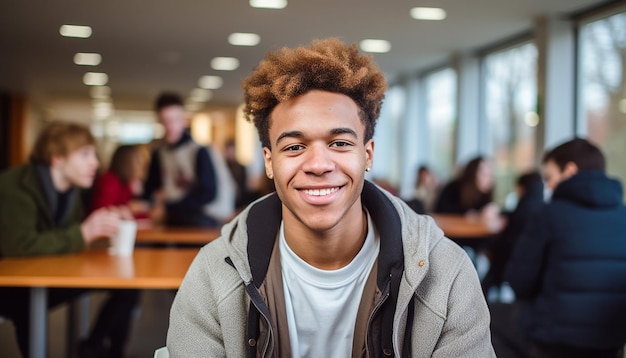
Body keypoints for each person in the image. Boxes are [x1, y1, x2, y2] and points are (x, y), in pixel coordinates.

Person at [167, 38, 495, 357]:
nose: (319, 165)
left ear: (368, 155)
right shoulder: (214, 273)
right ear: (269, 161)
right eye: (294, 147)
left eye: (339, 143)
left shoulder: (446, 274)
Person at [0, 121, 139, 357]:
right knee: (28, 308)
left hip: (40, 274)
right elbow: (19, 245)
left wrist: (99, 226)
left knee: (127, 286)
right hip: (10, 286)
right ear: (57, 159)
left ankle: (94, 347)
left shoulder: (69, 189)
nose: (95, 163)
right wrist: (84, 233)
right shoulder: (14, 186)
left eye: (94, 154)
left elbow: (71, 235)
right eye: (85, 154)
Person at [504, 138, 626, 357]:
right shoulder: (623, 215)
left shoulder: (548, 214)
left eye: (549, 178)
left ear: (570, 170)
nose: (548, 186)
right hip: (611, 341)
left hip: (553, 340)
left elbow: (518, 281)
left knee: (485, 317)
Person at [143, 92, 235, 227]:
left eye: (174, 120)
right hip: (171, 218)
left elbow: (208, 193)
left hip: (199, 217)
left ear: (183, 120)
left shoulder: (199, 151)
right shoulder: (159, 153)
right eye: (165, 121)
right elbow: (151, 188)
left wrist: (169, 207)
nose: (170, 126)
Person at [481, 170, 543, 296]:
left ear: (522, 187)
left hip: (507, 259)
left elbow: (508, 238)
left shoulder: (525, 208)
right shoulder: (539, 206)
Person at [91, 144, 150, 221]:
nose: (141, 166)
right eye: (137, 161)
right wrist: (121, 211)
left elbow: (128, 213)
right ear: (126, 162)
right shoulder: (109, 181)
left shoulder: (125, 183)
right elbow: (101, 210)